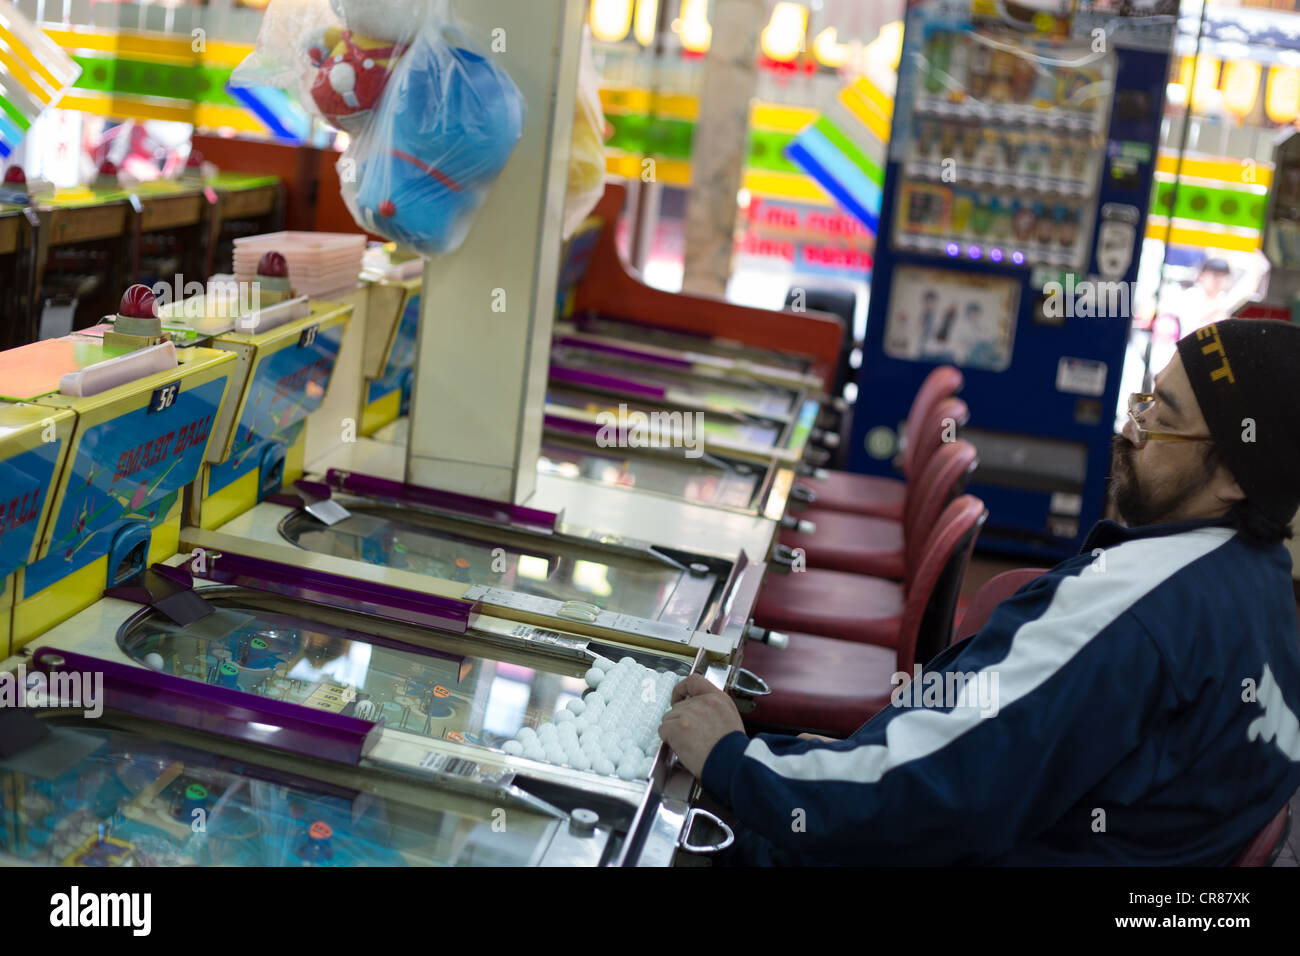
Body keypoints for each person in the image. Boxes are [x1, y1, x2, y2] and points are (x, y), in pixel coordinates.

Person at [658, 319, 1300, 865]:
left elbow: (937, 793)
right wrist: (838, 757)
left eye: (1164, 418)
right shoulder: (1265, 591)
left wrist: (736, 761)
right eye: (1145, 400)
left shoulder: (1137, 607)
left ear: (1237, 477)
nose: (1132, 429)